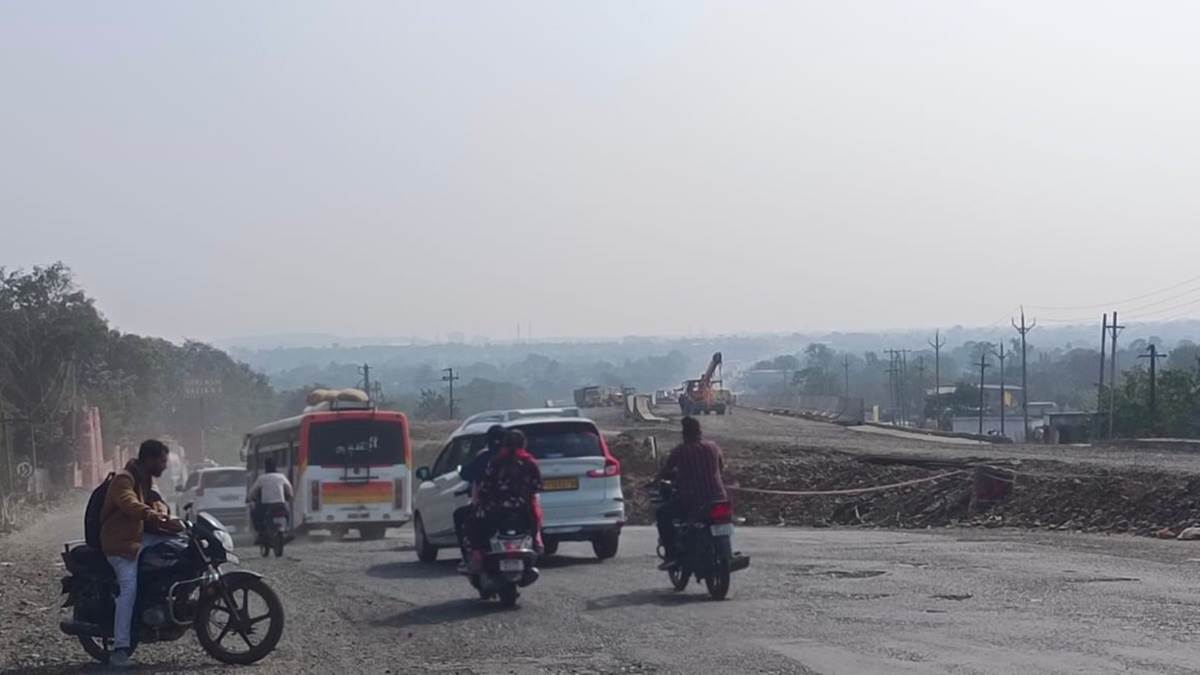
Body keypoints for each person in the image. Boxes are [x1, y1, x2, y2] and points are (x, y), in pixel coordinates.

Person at [99, 439, 182, 668]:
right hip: (120, 543)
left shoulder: (145, 480)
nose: (165, 466)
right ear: (149, 460)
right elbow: (129, 503)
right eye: (162, 461)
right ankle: (120, 650)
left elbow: (157, 502)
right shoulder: (124, 479)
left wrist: (163, 514)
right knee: (128, 589)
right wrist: (151, 514)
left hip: (138, 538)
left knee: (178, 547)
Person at [655, 416, 727, 570]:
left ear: (684, 434)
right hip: (719, 498)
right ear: (700, 432)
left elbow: (666, 470)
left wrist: (655, 481)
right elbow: (721, 468)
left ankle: (671, 555)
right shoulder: (713, 447)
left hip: (692, 500)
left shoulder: (680, 451)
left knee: (662, 514)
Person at [466, 429, 543, 573]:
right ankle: (537, 540)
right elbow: (537, 486)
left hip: (495, 509)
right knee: (536, 516)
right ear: (524, 444)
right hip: (523, 509)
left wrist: (484, 497)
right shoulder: (529, 463)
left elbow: (485, 486)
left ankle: (477, 554)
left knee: (472, 521)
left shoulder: (496, 462)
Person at [454, 425, 505, 566]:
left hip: (489, 509)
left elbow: (465, 473)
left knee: (462, 517)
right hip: (518, 509)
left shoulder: (484, 458)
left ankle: (471, 555)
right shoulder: (518, 459)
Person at [248, 458, 293, 541]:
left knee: (254, 514)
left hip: (266, 505)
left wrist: (249, 498)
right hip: (280, 504)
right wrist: (289, 497)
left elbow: (253, 492)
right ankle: (286, 529)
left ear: (266, 467)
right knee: (287, 513)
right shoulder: (281, 477)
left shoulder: (262, 478)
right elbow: (289, 489)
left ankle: (260, 534)